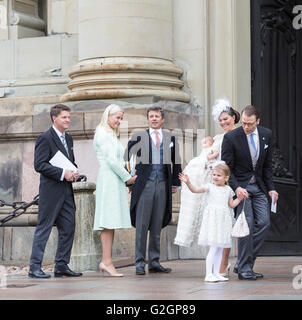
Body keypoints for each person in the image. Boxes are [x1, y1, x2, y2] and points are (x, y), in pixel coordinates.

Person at [174, 98, 240, 276]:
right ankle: (220, 264)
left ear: (234, 117)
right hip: (220, 184)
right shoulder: (218, 138)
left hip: (235, 182)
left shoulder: (241, 134)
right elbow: (209, 157)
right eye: (220, 120)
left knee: (231, 223)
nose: (223, 122)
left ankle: (227, 262)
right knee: (221, 223)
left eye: (226, 118)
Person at [221, 105, 279, 280]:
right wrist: (236, 188)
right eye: (244, 123)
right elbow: (226, 168)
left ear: (258, 121)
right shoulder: (231, 137)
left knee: (264, 223)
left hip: (260, 187)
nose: (246, 127)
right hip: (241, 188)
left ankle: (242, 262)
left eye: (250, 124)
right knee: (246, 226)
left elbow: (267, 166)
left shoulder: (266, 134)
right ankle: (246, 268)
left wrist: (271, 188)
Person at [126, 106, 182, 275]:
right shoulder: (139, 137)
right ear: (148, 119)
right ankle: (139, 262)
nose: (154, 119)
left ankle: (155, 261)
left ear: (162, 119)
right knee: (142, 225)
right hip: (145, 184)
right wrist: (129, 181)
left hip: (163, 184)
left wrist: (174, 183)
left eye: (157, 116)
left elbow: (176, 162)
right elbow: (126, 159)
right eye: (151, 116)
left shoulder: (170, 137)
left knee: (157, 224)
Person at [29, 104, 82, 279]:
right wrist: (62, 173)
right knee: (44, 228)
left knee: (68, 228)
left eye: (68, 117)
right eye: (64, 117)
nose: (68, 120)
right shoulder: (45, 138)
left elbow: (69, 162)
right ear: (54, 118)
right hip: (51, 192)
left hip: (67, 191)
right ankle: (34, 267)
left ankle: (61, 265)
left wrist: (73, 172)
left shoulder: (70, 139)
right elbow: (39, 165)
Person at [179, 162, 243, 282]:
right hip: (213, 221)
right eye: (214, 174)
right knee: (214, 248)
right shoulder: (209, 187)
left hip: (223, 221)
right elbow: (195, 190)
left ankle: (216, 273)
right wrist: (188, 182)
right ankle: (208, 274)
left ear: (226, 178)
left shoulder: (228, 189)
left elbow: (231, 204)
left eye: (218, 175)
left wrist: (239, 199)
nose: (215, 177)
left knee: (220, 248)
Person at [93, 104, 137, 277]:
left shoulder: (110, 134)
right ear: (108, 116)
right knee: (107, 221)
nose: (119, 121)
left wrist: (129, 173)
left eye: (121, 118)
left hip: (115, 179)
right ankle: (106, 261)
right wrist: (127, 178)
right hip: (109, 180)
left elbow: (118, 160)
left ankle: (107, 260)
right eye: (117, 117)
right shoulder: (102, 133)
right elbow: (111, 161)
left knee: (110, 222)